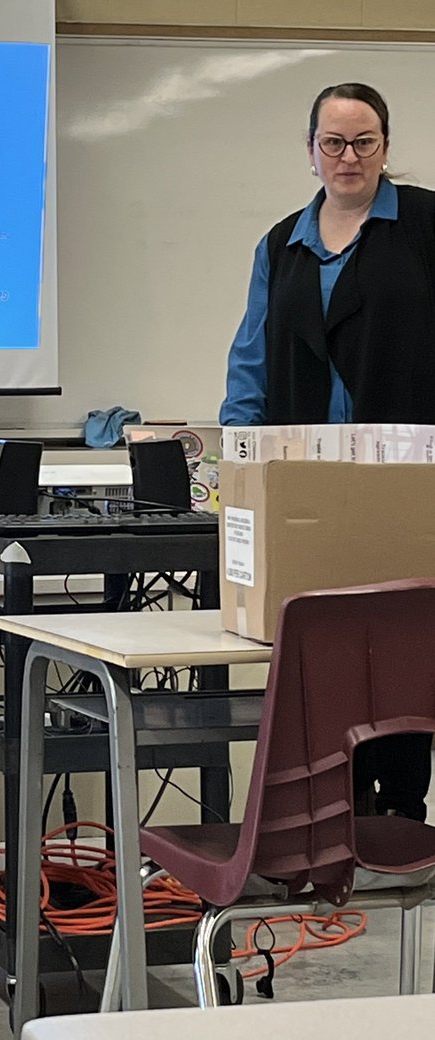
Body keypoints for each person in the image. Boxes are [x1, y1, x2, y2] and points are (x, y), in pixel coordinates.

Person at [221, 81, 434, 821]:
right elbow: (250, 358)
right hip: (304, 490)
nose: (349, 157)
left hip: (408, 484)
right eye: (334, 143)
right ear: (309, 151)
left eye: (364, 142)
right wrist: (235, 467)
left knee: (402, 647)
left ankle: (401, 816)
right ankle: (333, 818)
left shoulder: (426, 225)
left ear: (386, 147)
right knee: (322, 651)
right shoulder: (281, 245)